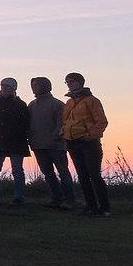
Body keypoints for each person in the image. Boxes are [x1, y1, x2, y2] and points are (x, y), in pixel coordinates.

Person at [61, 72, 111, 216]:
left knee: (94, 175)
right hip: (72, 142)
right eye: (67, 81)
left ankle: (104, 208)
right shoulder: (69, 102)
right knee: (82, 176)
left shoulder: (92, 101)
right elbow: (66, 121)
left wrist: (89, 136)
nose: (69, 84)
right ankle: (91, 206)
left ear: (80, 82)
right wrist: (63, 132)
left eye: (72, 81)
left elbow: (102, 121)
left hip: (88, 143)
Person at [28, 77, 77, 210]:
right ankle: (56, 198)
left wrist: (54, 137)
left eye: (36, 85)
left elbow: (62, 124)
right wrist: (31, 139)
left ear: (45, 86)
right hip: (38, 145)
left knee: (63, 172)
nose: (33, 87)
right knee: (48, 173)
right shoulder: (32, 105)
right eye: (32, 85)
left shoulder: (58, 104)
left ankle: (70, 200)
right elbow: (28, 124)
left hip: (56, 146)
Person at [0, 78, 31, 205]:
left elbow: (26, 122)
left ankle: (19, 197)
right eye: (3, 86)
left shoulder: (21, 104)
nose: (4, 89)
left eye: (8, 87)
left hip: (16, 142)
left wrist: (19, 133)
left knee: (17, 170)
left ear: (13, 89)